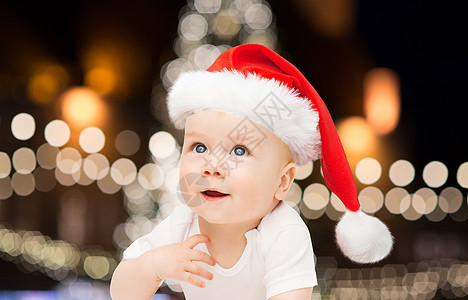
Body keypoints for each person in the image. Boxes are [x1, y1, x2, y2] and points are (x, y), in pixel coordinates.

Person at [110, 44, 393, 300]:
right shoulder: (183, 224)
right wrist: (152, 266)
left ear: (282, 182)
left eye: (239, 151)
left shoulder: (283, 233)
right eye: (198, 147)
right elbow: (122, 293)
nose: (212, 166)